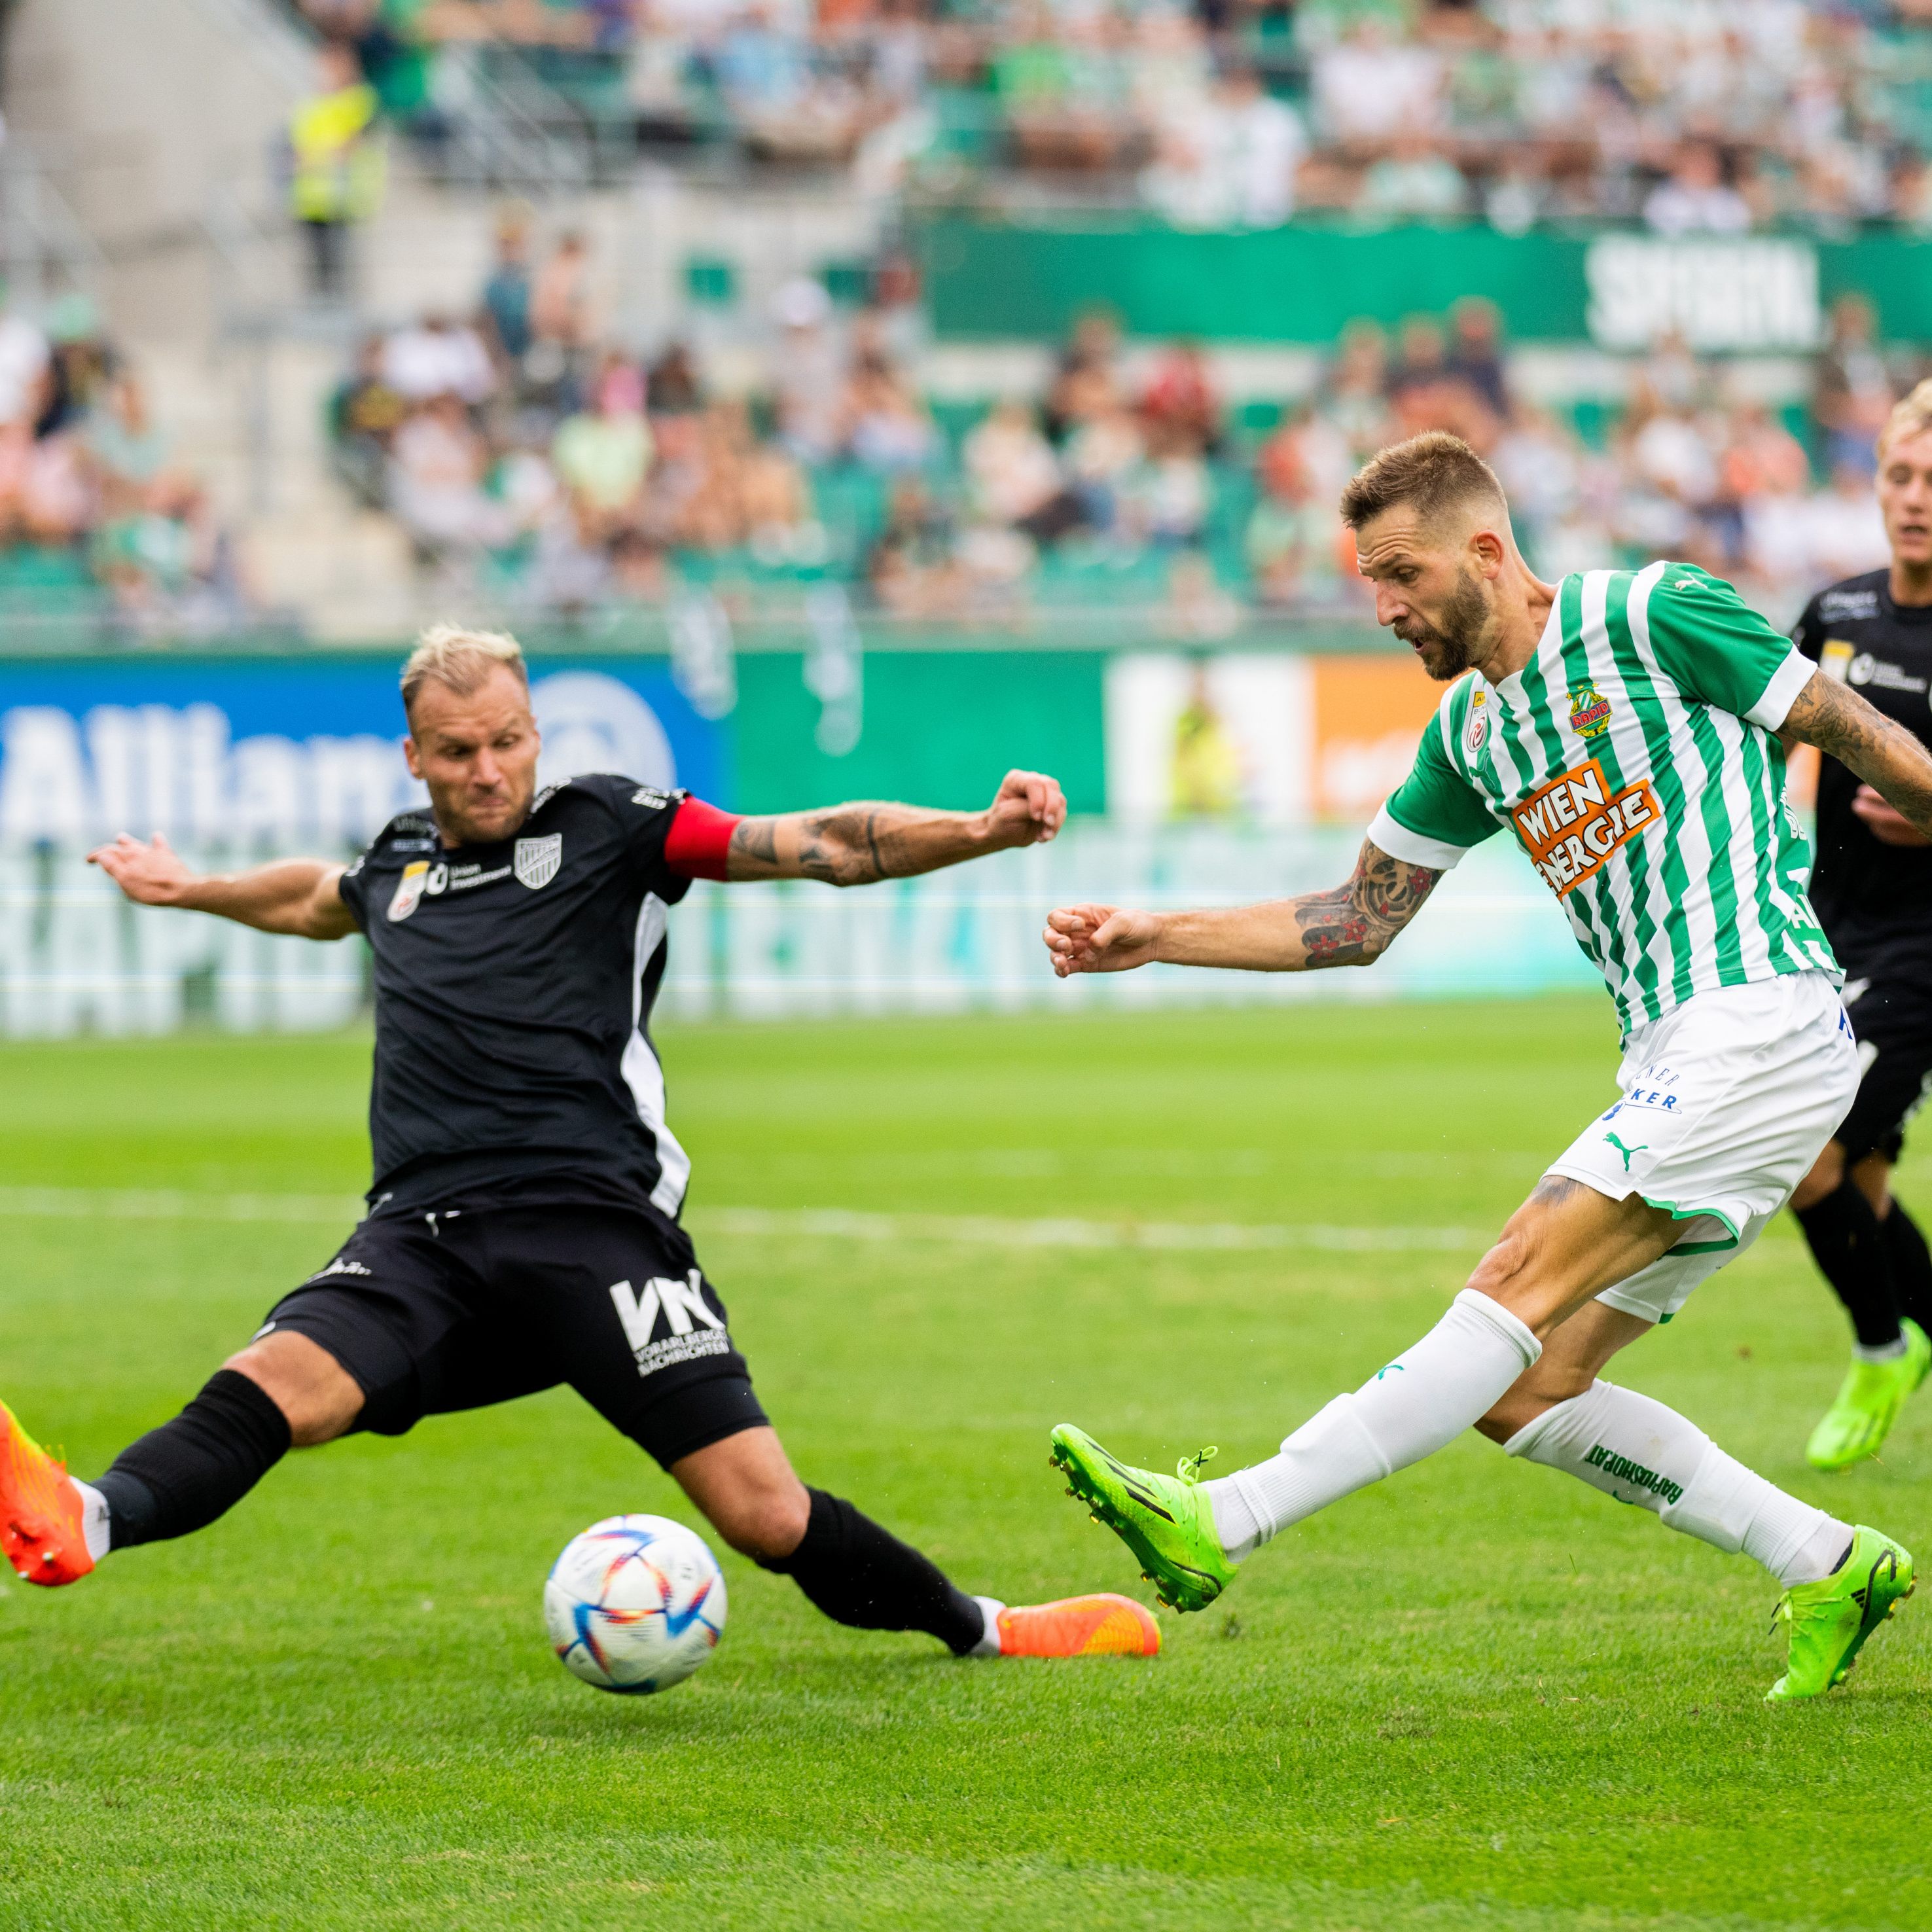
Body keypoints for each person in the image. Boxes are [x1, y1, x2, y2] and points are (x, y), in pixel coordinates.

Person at [0, 627, 1157, 1668]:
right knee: (270, 1388)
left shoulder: (612, 826)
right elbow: (312, 898)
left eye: (507, 741)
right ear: (414, 757)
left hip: (593, 1230)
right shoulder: (397, 865)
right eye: (458, 751)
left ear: (535, 735)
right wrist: (190, 888)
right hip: (420, 1236)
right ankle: (87, 1516)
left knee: (765, 1516)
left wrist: (979, 830)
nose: (488, 769)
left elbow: (816, 843)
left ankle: (987, 1627)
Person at [1040, 431, 1932, 1701]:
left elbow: (1851, 729)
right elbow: (1358, 919)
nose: (1386, 607)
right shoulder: (1467, 735)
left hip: (1760, 1018)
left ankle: (1227, 1517)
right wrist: (1156, 937)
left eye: (1402, 574)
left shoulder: (1653, 614)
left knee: (1511, 1278)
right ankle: (1831, 1561)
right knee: (1532, 1391)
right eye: (1371, 583)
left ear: (1488, 550)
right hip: (1682, 1056)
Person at [1785, 381, 1932, 1469]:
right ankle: (1904, 1339)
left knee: (1806, 1152)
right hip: (1824, 936)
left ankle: (1882, 1349)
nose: (1917, 499)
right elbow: (1783, 740)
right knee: (1862, 1178)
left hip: (1922, 954)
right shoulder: (1835, 615)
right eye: (1901, 475)